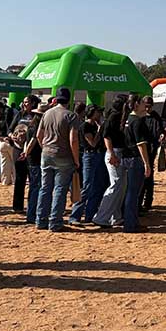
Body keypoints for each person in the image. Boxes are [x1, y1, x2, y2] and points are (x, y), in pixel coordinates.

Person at [35, 88, 80, 231]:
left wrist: (45, 147)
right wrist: (76, 159)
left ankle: (41, 220)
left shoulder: (47, 113)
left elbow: (38, 135)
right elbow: (73, 140)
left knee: (45, 188)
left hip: (46, 154)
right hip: (63, 155)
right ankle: (55, 222)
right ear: (68, 99)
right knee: (60, 190)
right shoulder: (71, 116)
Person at [92, 97, 130, 228]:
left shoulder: (118, 116)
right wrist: (112, 153)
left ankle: (116, 216)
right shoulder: (114, 117)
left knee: (121, 186)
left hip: (118, 152)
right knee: (116, 185)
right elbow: (106, 136)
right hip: (114, 153)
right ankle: (101, 217)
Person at [69, 105, 107, 224]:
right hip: (90, 156)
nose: (99, 115)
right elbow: (93, 143)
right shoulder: (85, 126)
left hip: (98, 155)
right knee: (86, 186)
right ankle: (75, 216)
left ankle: (90, 215)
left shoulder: (94, 125)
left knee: (97, 186)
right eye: (98, 112)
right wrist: (100, 129)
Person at [120, 95, 153, 233]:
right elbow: (141, 144)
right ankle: (130, 224)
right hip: (135, 159)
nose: (144, 106)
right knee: (133, 194)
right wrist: (147, 163)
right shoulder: (137, 122)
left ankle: (131, 222)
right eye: (142, 104)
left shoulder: (128, 119)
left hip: (127, 159)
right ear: (136, 104)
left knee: (130, 192)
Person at [138, 97, 164, 214]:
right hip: (141, 149)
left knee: (148, 175)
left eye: (149, 106)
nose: (147, 108)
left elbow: (160, 130)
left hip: (151, 149)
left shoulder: (155, 117)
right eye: (146, 106)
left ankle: (147, 201)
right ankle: (139, 201)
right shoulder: (140, 116)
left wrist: (161, 136)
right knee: (142, 176)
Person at [0, 104, 15, 185]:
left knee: (4, 163)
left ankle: (5, 181)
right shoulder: (15, 121)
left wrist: (2, 138)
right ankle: (15, 180)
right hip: (12, 143)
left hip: (2, 143)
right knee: (14, 163)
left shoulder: (2, 121)